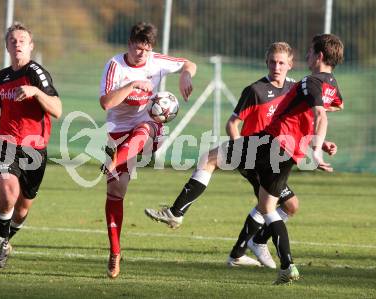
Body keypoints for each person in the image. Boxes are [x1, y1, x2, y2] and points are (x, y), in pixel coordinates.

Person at [145, 33, 344, 284]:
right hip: (287, 152)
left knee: (211, 159)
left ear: (319, 56)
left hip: (271, 145)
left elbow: (320, 115)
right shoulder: (328, 85)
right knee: (269, 208)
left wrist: (317, 146)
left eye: (309, 52)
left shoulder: (305, 83)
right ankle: (286, 265)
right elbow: (331, 107)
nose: (277, 66)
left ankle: (179, 214)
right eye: (272, 62)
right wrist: (317, 141)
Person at [99, 22, 196, 278]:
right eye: (138, 48)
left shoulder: (155, 60)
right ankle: (115, 252)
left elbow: (189, 63)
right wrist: (132, 85)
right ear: (129, 44)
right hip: (118, 131)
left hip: (149, 129)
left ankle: (113, 162)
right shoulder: (115, 66)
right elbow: (106, 102)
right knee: (116, 192)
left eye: (146, 48)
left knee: (145, 127)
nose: (142, 53)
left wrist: (186, 73)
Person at [0, 22, 62, 268]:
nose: (17, 44)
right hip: (5, 143)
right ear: (7, 45)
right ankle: (1, 240)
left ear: (31, 46)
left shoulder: (36, 73)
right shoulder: (2, 76)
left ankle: (2, 238)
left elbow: (57, 110)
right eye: (13, 40)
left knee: (22, 210)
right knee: (8, 194)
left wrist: (35, 92)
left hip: (34, 149)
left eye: (22, 41)